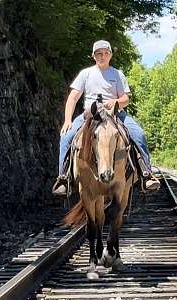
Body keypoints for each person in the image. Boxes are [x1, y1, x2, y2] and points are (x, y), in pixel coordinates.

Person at [52, 39, 161, 196]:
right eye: (99, 54)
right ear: (93, 56)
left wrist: (115, 101)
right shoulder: (86, 74)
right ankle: (63, 178)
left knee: (139, 134)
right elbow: (73, 98)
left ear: (110, 55)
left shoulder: (117, 74)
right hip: (90, 114)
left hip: (115, 114)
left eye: (105, 53)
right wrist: (68, 120)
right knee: (66, 136)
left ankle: (146, 173)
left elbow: (125, 99)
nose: (102, 56)